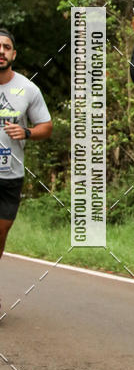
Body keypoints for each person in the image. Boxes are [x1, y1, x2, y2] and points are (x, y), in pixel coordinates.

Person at [0, 29, 53, 313]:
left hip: (10, 176)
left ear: (13, 54)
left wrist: (27, 132)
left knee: (0, 235)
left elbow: (47, 126)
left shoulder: (27, 89)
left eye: (6, 47)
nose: (1, 51)